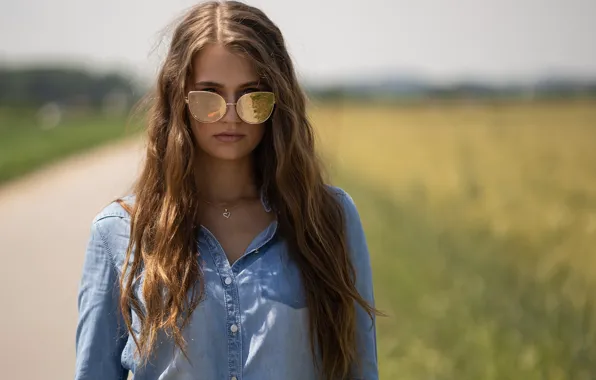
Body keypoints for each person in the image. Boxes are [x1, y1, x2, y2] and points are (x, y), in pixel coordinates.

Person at [74, 1, 379, 379]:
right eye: (209, 95)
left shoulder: (329, 218)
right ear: (178, 97)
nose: (231, 113)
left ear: (277, 100)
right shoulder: (118, 232)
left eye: (252, 95)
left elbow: (360, 369)